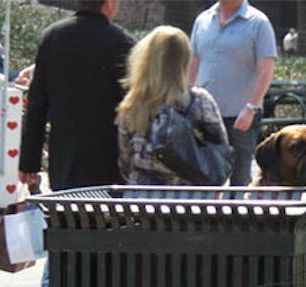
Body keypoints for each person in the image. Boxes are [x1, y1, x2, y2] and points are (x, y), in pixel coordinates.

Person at [19, 0, 135, 287]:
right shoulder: (123, 43)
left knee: (63, 227)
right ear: (109, 4)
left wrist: (28, 162)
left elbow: (37, 104)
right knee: (102, 233)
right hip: (108, 160)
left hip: (64, 157)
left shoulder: (52, 37)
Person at [116, 25, 228, 185]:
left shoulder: (133, 103)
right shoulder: (199, 101)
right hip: (188, 199)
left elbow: (125, 162)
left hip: (140, 199)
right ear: (184, 60)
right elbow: (219, 153)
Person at [188, 0, 277, 186]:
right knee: (204, 175)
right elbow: (194, 63)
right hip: (206, 116)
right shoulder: (202, 21)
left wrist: (251, 107)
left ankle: (236, 214)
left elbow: (266, 69)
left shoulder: (259, 23)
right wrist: (187, 99)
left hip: (241, 116)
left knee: (240, 177)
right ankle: (208, 215)